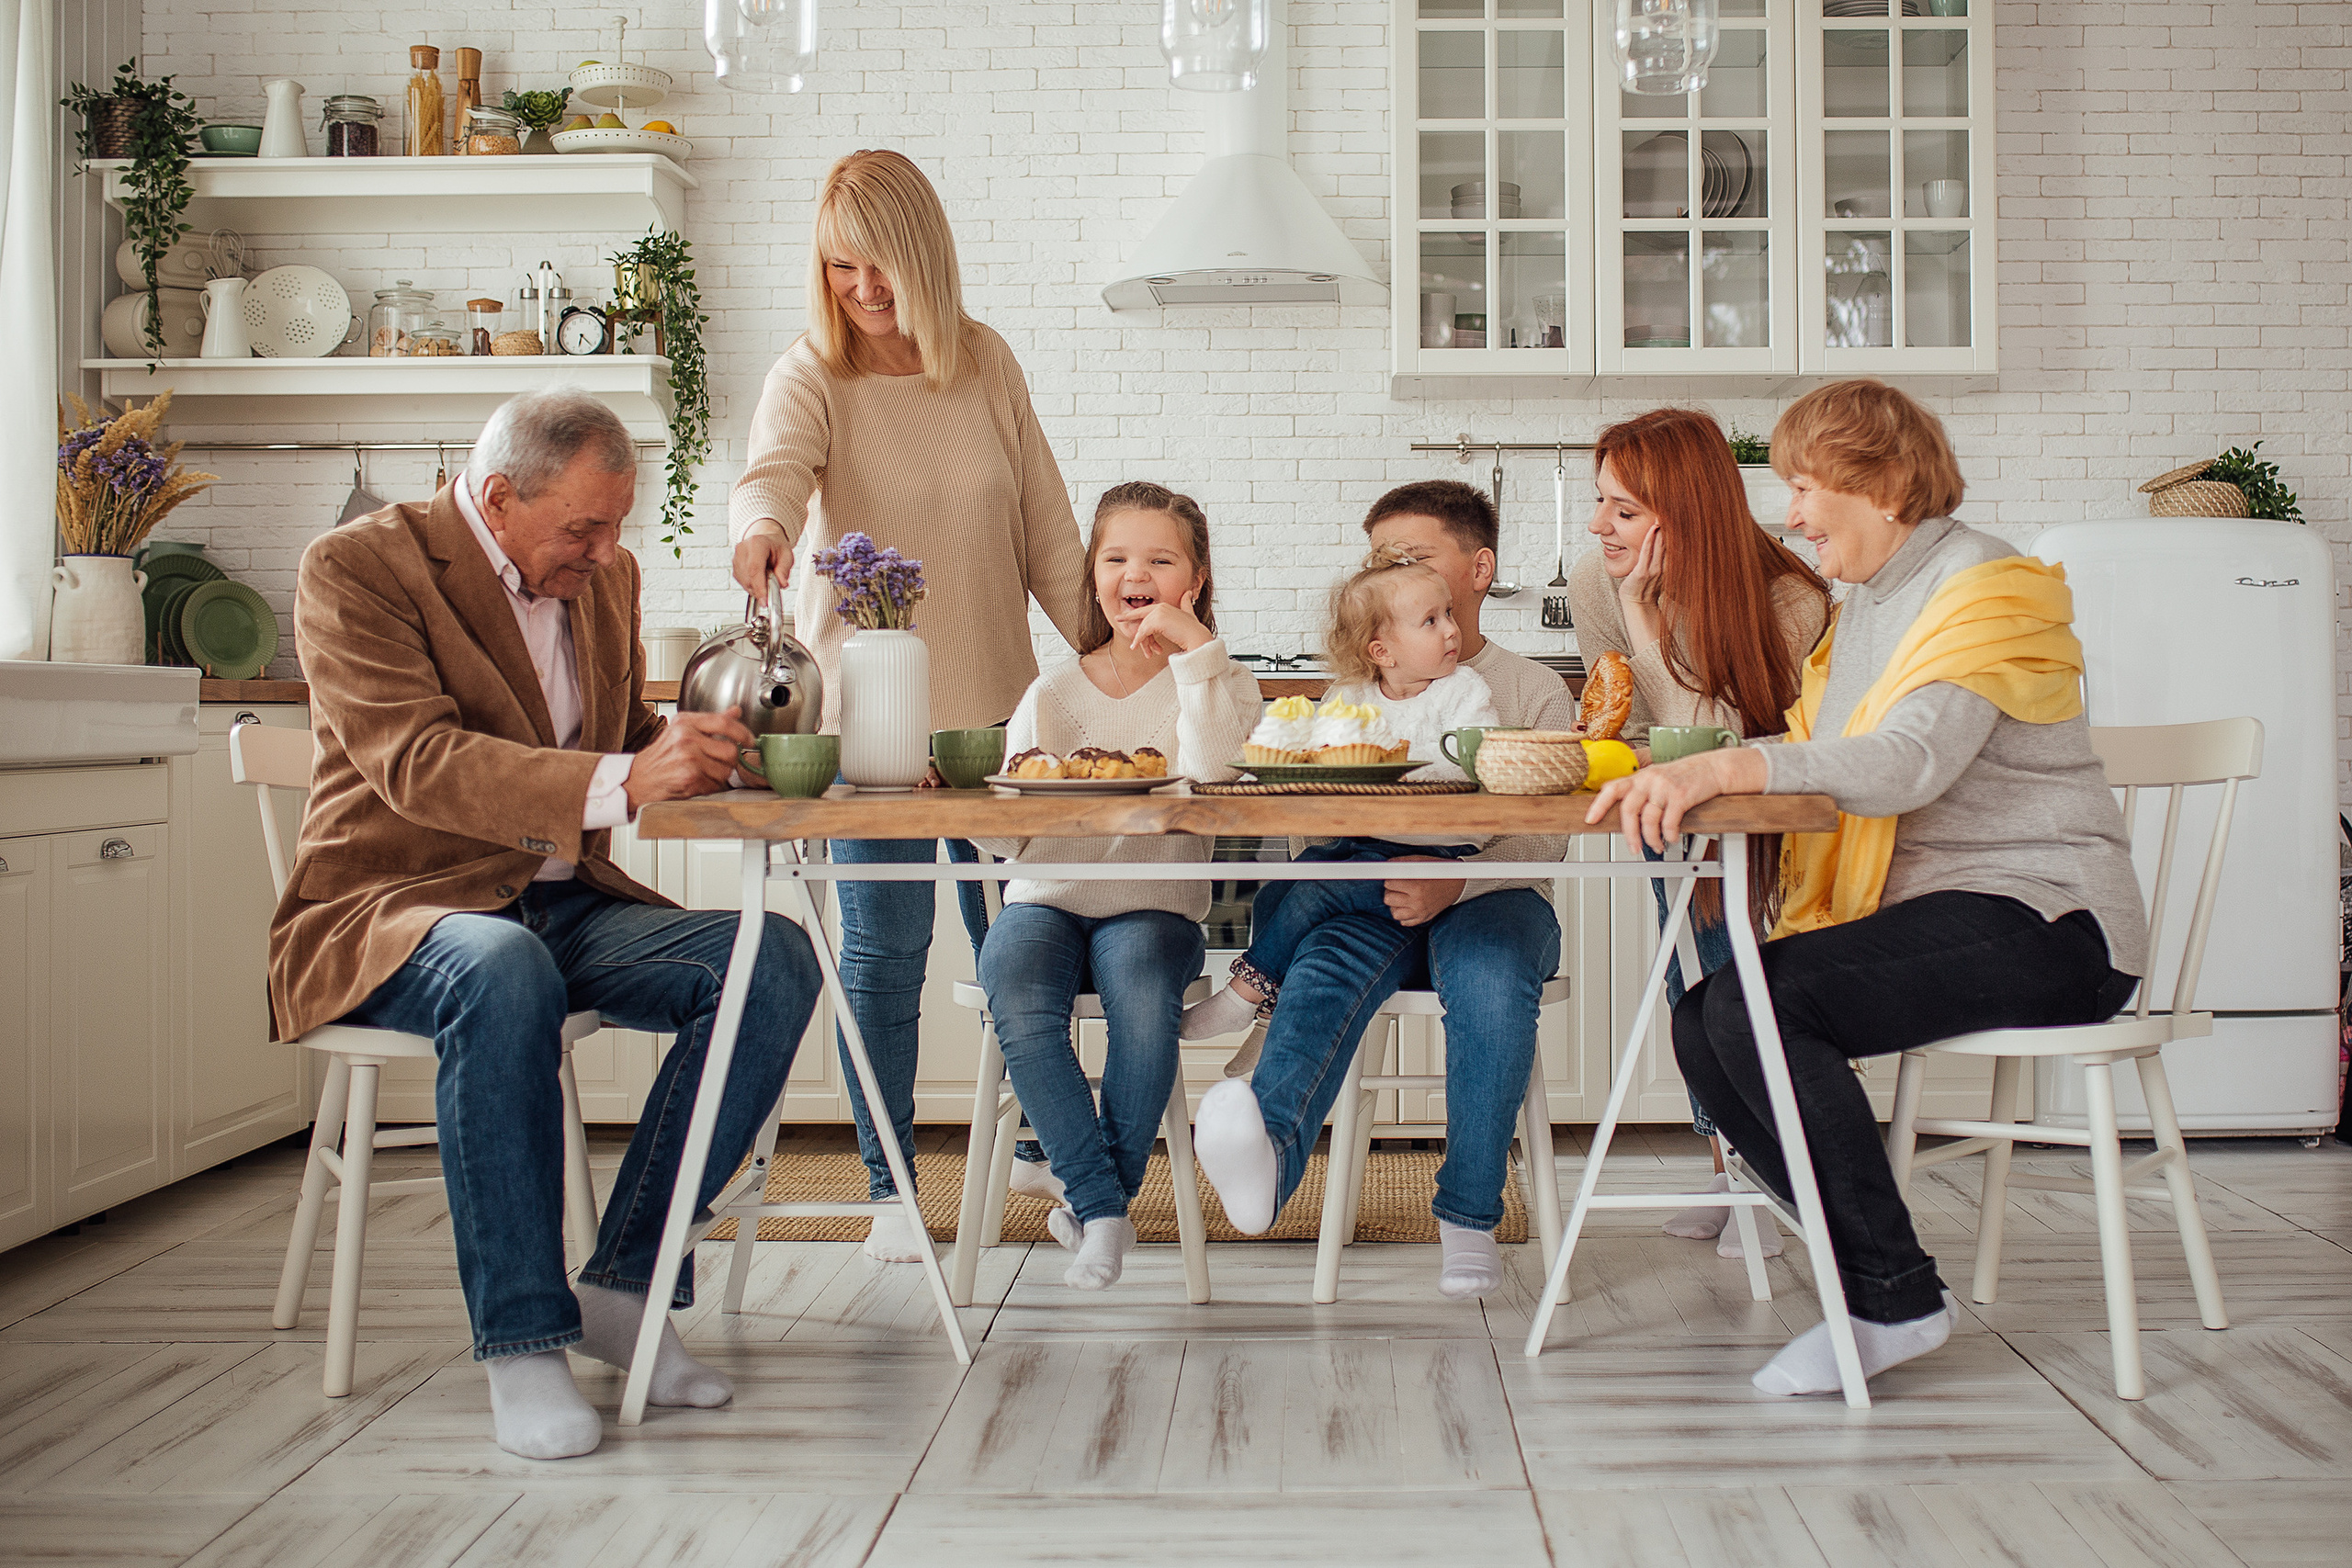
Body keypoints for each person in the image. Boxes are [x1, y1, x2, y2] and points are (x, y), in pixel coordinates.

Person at [279, 389, 823, 1461]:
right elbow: (417, 763)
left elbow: (622, 739)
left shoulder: (603, 580)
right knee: (502, 966)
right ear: (495, 496)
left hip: (561, 902)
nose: (608, 551)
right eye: (583, 527)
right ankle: (524, 1343)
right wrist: (628, 772)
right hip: (395, 907)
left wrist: (718, 752)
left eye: (617, 524)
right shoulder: (357, 569)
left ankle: (629, 1286)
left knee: (771, 959)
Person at [1588, 379, 2147, 1397]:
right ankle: (1869, 1269)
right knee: (1707, 1015)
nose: (1791, 513)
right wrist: (1693, 763)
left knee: (1768, 1004)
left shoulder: (1984, 585)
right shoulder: (1872, 604)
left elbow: (1902, 764)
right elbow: (1824, 746)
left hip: (2050, 922)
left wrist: (1720, 769)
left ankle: (1892, 1297)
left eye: (1805, 488)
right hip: (1954, 916)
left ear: (1882, 487)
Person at [727, 149, 1091, 1262]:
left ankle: (1036, 1138)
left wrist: (1129, 659)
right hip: (869, 726)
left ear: (925, 257)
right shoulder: (811, 373)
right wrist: (760, 534)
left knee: (1025, 941)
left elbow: (1047, 534)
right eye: (841, 269)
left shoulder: (985, 364)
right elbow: (773, 475)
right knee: (885, 958)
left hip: (997, 720)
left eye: (881, 266)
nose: (864, 291)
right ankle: (891, 1188)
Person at [1192, 479, 1581, 1300]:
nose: (1393, 572)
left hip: (1488, 896)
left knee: (1488, 978)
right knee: (1326, 965)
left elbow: (1547, 830)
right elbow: (1316, 821)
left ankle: (1470, 1214)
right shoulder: (1354, 697)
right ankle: (1263, 1155)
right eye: (1381, 561)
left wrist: (1454, 878)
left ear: (1477, 571)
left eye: (1411, 557)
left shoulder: (1529, 690)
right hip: (1370, 889)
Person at [972, 482, 1258, 1289]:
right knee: (1015, 985)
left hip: (1154, 902)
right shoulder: (1053, 693)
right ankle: (1102, 1207)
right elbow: (1017, 834)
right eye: (1117, 557)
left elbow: (1212, 776)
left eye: (1161, 559)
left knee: (1141, 997)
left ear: (1193, 580)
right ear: (1095, 575)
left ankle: (1099, 1204)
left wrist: (1195, 655)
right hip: (1049, 898)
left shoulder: (1220, 682)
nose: (1137, 573)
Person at [1567, 407, 1828, 1250]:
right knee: (1690, 977)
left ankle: (1778, 1171)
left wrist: (1646, 619)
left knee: (1742, 980)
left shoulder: (1792, 599)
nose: (1601, 526)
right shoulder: (1592, 580)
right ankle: (1728, 1162)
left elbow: (1711, 738)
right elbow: (1640, 732)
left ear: (1687, 512)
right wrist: (1632, 611)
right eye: (1601, 502)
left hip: (1772, 828)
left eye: (1626, 511)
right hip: (1670, 818)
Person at [1178, 546, 1498, 1043]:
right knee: (1280, 892)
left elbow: (1476, 762)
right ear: (1382, 652)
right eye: (1431, 621)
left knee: (1318, 890)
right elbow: (1319, 757)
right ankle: (1272, 1014)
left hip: (1432, 852)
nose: (1452, 629)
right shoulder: (1352, 697)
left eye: (1448, 614)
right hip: (1364, 841)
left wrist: (1391, 762)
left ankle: (1240, 996)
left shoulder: (1464, 690)